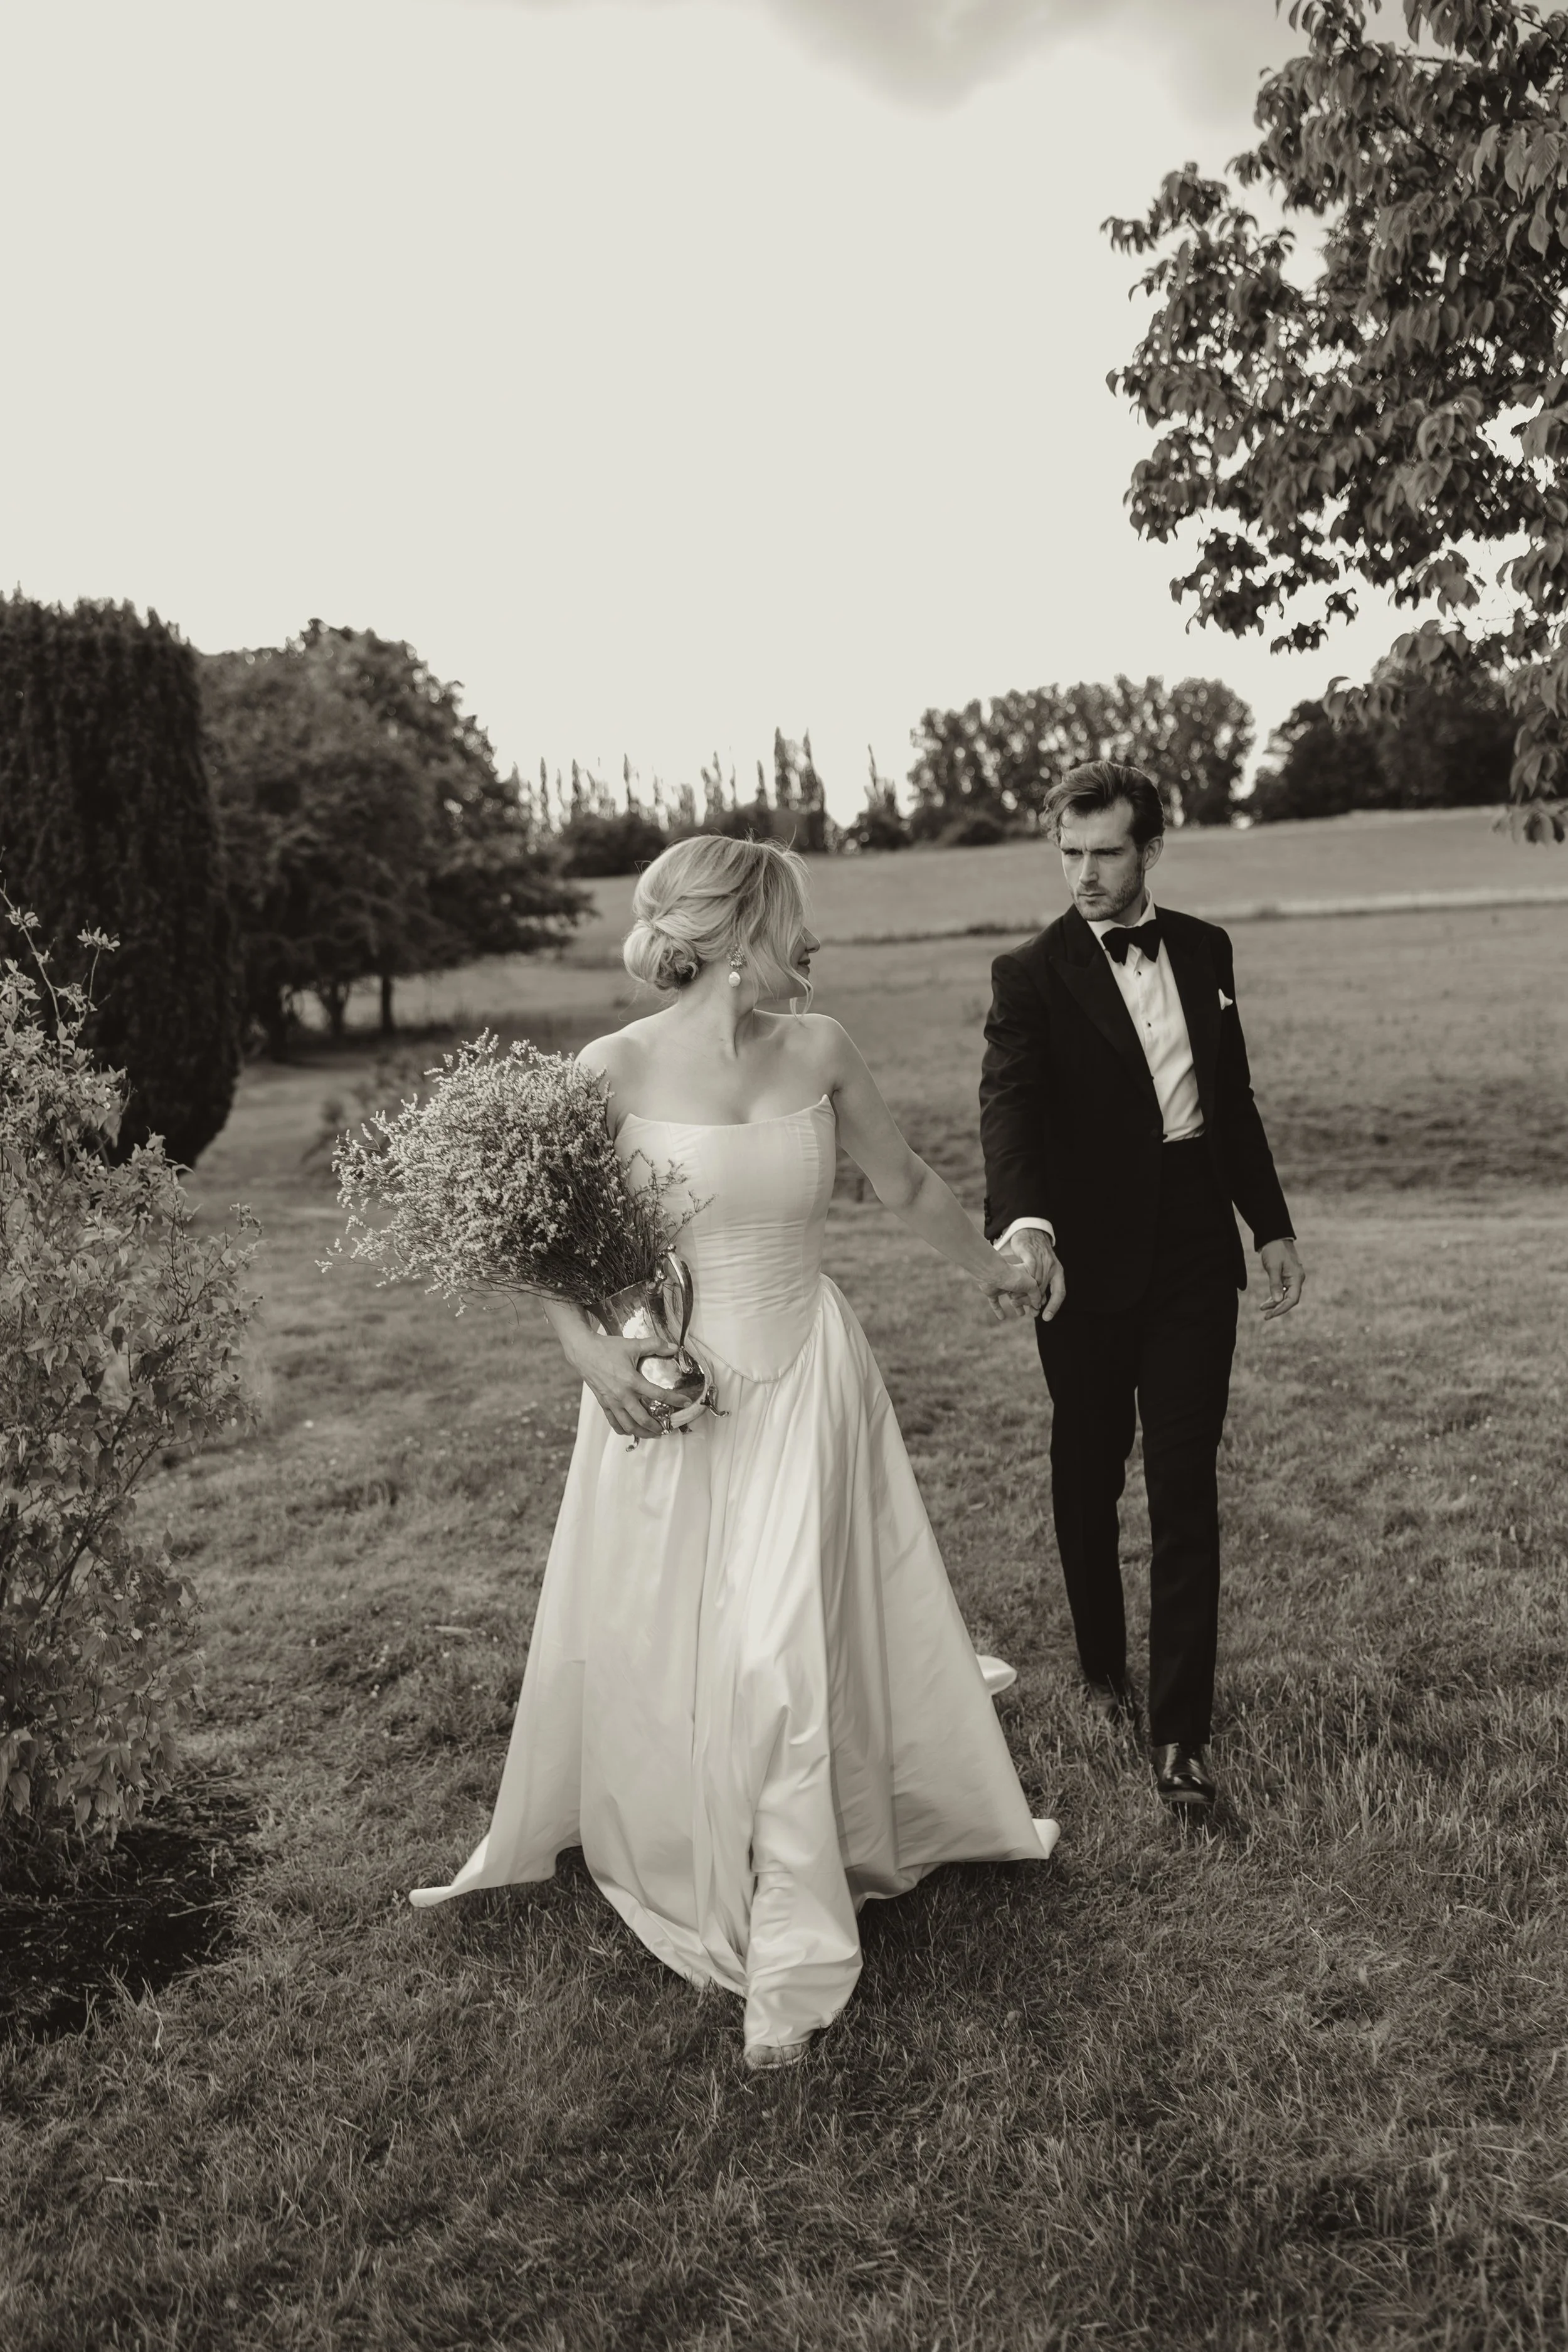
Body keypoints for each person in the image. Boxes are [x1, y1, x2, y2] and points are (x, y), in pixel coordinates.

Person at [411, 835, 1059, 2068]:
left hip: (808, 1375)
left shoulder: (819, 1049)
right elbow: (544, 1239)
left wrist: (995, 1273)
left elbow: (907, 1181)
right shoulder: (608, 1068)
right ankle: (689, 1841)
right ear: (731, 935)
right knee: (690, 1640)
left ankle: (788, 1949)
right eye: (790, 924)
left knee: (777, 1650)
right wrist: (592, 1355)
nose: (809, 945)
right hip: (672, 1385)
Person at [980, 761, 1304, 1813]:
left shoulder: (1206, 948)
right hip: (1081, 1257)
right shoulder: (1028, 974)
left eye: (1105, 851)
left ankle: (1179, 1736)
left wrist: (1272, 1224)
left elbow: (1233, 1097)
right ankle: (1101, 1664)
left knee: (1185, 1484)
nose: (1084, 872)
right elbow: (1010, 1114)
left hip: (1195, 1246)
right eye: (1068, 853)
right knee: (1087, 1470)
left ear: (1150, 849)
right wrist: (1028, 1232)